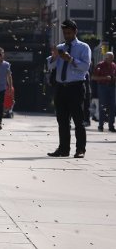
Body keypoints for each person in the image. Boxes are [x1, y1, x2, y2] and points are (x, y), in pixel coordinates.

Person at [47, 19, 91, 158]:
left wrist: (71, 59)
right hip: (61, 88)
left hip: (76, 87)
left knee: (78, 120)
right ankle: (63, 149)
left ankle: (80, 149)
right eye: (65, 33)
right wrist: (54, 57)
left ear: (75, 32)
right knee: (62, 120)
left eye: (69, 33)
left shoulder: (83, 47)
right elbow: (50, 66)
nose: (67, 35)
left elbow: (85, 67)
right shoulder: (60, 47)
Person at [91, 51, 116, 132]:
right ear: (106, 58)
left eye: (112, 58)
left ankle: (111, 126)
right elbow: (94, 77)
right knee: (103, 106)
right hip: (103, 87)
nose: (112, 60)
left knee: (112, 106)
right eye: (110, 58)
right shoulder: (100, 65)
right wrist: (105, 78)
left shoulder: (113, 65)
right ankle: (101, 125)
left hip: (112, 87)